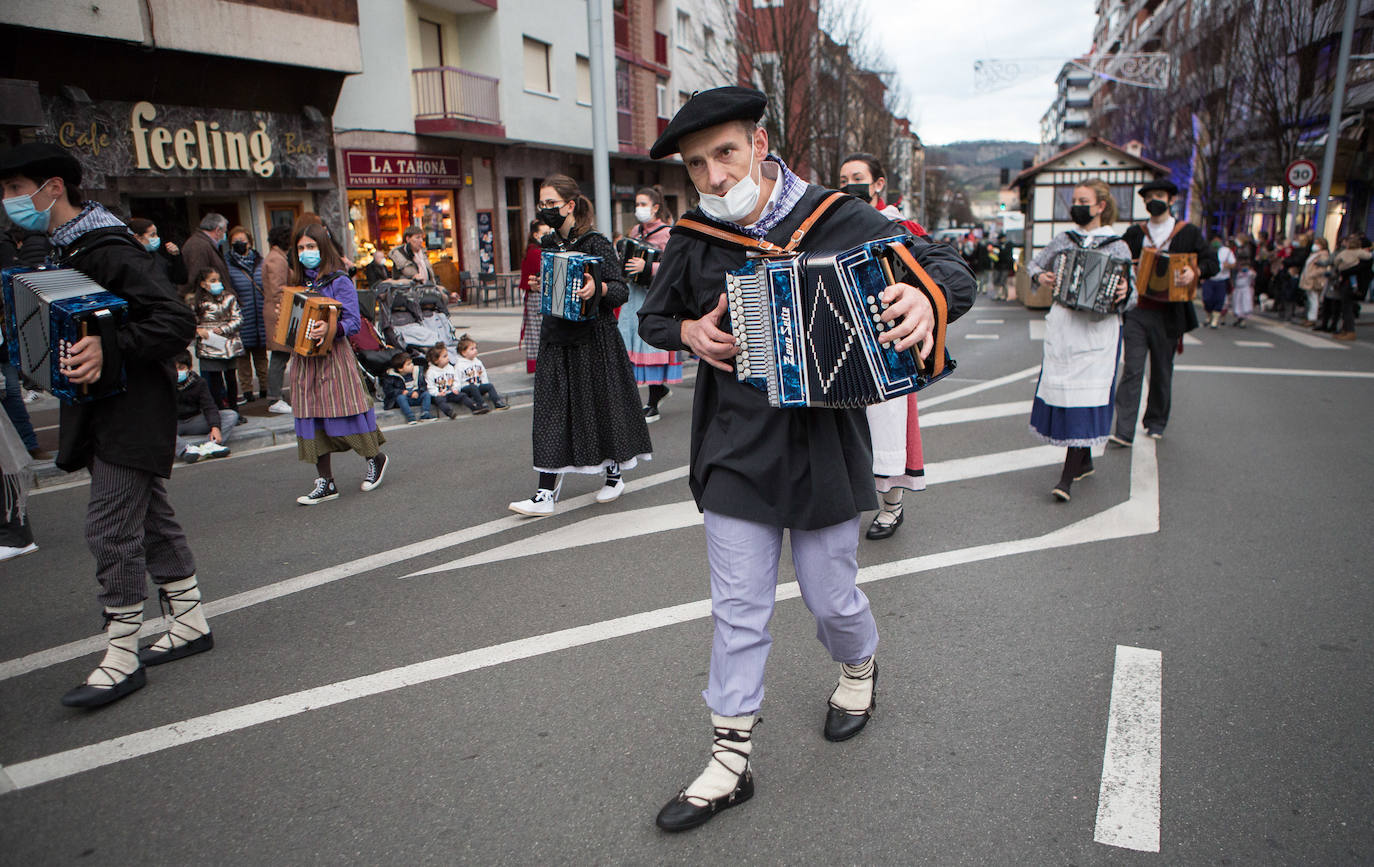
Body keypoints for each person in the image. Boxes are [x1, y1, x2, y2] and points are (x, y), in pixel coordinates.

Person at [637, 87, 975, 832]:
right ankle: (730, 759)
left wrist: (928, 301)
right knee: (739, 610)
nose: (715, 176)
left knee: (830, 598)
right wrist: (690, 331)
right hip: (734, 445)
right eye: (697, 166)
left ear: (760, 145)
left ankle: (858, 665)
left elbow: (946, 266)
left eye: (725, 153)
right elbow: (655, 315)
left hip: (825, 442)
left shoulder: (837, 215)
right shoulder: (696, 236)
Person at [1, 142, 212, 707]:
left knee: (109, 527)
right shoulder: (58, 249)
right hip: (102, 410)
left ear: (53, 188)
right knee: (149, 519)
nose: (9, 201)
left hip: (132, 409)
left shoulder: (107, 247)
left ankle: (121, 653)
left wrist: (109, 349)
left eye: (16, 190)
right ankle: (189, 621)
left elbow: (174, 321)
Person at [508, 174, 652, 517]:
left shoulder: (595, 242)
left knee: (602, 405)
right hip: (556, 338)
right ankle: (545, 492)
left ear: (570, 205)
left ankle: (613, 474)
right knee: (551, 411)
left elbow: (619, 289)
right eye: (541, 204)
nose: (545, 210)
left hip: (595, 339)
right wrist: (541, 283)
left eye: (550, 204)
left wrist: (597, 289)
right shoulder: (547, 246)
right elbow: (553, 291)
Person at [838, 151, 931, 540]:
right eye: (842, 180)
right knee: (844, 425)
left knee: (887, 424)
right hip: (843, 336)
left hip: (887, 338)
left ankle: (892, 506)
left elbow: (928, 274)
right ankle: (844, 503)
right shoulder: (831, 222)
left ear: (878, 184)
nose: (848, 185)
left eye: (857, 177)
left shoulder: (901, 226)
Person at [1026, 180, 1134, 502]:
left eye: (1083, 200)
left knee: (1085, 397)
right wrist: (1041, 276)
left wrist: (1124, 292)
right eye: (1074, 200)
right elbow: (1034, 264)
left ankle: (1066, 479)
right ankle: (1083, 460)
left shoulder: (1118, 246)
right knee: (1067, 395)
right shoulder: (1063, 240)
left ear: (1101, 206)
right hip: (1065, 328)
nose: (1077, 205)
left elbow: (1133, 292)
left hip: (1098, 330)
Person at [289, 222, 389, 505]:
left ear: (323, 247)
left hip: (334, 358)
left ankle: (375, 458)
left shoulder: (339, 280)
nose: (306, 252)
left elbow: (353, 322)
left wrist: (329, 329)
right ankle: (326, 481)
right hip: (305, 360)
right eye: (301, 248)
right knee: (311, 416)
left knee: (347, 409)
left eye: (311, 246)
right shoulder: (297, 283)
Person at [1110, 178, 1215, 446]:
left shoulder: (1186, 232)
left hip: (1170, 313)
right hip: (1137, 310)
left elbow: (1210, 261)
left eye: (1159, 195)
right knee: (1132, 369)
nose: (1154, 200)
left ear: (1170, 200)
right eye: (1149, 197)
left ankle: (1155, 421)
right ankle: (1123, 430)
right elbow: (1117, 261)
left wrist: (1195, 271)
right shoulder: (1135, 233)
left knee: (1161, 370)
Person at [617, 187, 679, 422]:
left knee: (650, 344)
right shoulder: (635, 231)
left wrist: (648, 268)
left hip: (654, 296)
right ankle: (654, 394)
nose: (638, 209)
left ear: (655, 207)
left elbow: (674, 267)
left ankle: (653, 400)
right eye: (637, 204)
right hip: (633, 296)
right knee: (632, 342)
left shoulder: (667, 234)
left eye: (643, 204)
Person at [225, 226, 269, 402]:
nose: (240, 245)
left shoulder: (261, 262)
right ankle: (247, 392)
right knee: (242, 359)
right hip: (242, 318)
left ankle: (266, 390)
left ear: (250, 242)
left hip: (259, 316)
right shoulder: (228, 265)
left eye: (243, 241)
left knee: (261, 357)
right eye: (235, 242)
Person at [190, 266, 244, 410]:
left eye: (218, 280)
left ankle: (234, 409)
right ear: (203, 284)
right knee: (215, 380)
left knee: (231, 378)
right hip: (209, 344)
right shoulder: (196, 302)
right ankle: (219, 409)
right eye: (212, 280)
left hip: (229, 342)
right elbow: (189, 322)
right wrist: (198, 330)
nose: (217, 283)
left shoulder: (229, 298)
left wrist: (223, 329)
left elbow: (238, 318)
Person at [173, 352, 233, 462]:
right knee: (153, 427)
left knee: (230, 415)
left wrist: (215, 427)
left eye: (181, 368)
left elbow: (209, 406)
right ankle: (185, 450)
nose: (177, 372)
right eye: (174, 368)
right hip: (173, 424)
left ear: (189, 367)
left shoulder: (199, 382)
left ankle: (211, 445)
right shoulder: (164, 383)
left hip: (195, 420)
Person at [261, 224, 294, 413]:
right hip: (279, 312)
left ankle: (275, 396)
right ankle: (274, 398)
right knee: (279, 355)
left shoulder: (276, 257)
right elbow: (278, 289)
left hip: (277, 311)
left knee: (280, 355)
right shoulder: (277, 260)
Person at [518, 220, 550, 374]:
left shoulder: (533, 250)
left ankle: (540, 366)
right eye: (545, 233)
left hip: (534, 298)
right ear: (536, 234)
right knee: (540, 334)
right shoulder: (536, 252)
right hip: (537, 297)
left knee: (537, 334)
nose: (548, 236)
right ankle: (542, 367)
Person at [179, 212, 230, 300]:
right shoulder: (199, 246)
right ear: (218, 230)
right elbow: (196, 277)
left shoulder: (204, 244)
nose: (224, 235)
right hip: (207, 304)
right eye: (224, 231)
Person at [453, 335, 509, 412]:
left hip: (478, 386)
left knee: (489, 386)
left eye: (475, 348)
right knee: (472, 387)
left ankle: (497, 402)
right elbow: (456, 378)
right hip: (466, 388)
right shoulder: (459, 365)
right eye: (472, 349)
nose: (475, 350)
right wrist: (456, 388)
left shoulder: (478, 362)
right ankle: (481, 404)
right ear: (464, 353)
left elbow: (483, 374)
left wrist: (484, 384)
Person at [1330, 234, 1370, 340]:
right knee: (1347, 307)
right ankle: (1346, 330)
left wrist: (1342, 270)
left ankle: (1349, 330)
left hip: (1347, 283)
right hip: (1352, 283)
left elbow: (1336, 262)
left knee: (1346, 307)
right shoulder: (1362, 255)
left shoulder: (1344, 253)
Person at [126, 218, 186, 287]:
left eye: (156, 234)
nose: (157, 238)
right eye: (152, 235)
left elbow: (181, 279)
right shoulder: (130, 261)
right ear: (137, 237)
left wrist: (176, 256)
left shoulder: (157, 256)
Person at [382, 351, 434, 423]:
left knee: (426, 394)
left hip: (415, 396)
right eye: (408, 364)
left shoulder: (417, 372)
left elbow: (423, 386)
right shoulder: (391, 377)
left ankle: (425, 413)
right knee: (401, 398)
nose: (412, 365)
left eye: (412, 363)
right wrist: (402, 392)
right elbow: (389, 391)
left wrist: (417, 392)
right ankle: (410, 416)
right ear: (400, 369)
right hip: (402, 400)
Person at [424, 343, 471, 417]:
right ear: (436, 360)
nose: (448, 358)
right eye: (444, 356)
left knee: (462, 395)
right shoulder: (431, 372)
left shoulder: (450, 368)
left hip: (450, 392)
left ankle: (474, 407)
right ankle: (449, 412)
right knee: (439, 400)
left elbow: (456, 380)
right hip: (440, 394)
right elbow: (430, 387)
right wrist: (437, 393)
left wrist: (455, 388)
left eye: (447, 355)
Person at [1199, 236, 1234, 329]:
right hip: (1209, 279)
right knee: (1207, 299)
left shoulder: (1226, 251)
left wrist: (1228, 265)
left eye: (1218, 240)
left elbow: (1233, 263)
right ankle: (1208, 316)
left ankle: (1215, 320)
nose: (1216, 242)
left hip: (1221, 280)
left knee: (1219, 300)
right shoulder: (1206, 250)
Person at [1298, 237, 1331, 329]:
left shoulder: (1323, 255)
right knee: (1310, 299)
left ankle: (1312, 318)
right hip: (1308, 278)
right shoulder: (1314, 254)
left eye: (1317, 243)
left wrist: (1312, 274)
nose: (1315, 245)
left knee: (1314, 299)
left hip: (1314, 280)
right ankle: (1309, 317)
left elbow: (1322, 269)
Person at [1230, 260, 1255, 327]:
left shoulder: (1249, 273)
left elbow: (1253, 275)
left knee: (1244, 305)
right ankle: (1239, 319)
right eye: (1243, 266)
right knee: (1237, 305)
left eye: (1246, 266)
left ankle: (1243, 320)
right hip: (1238, 291)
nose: (1244, 267)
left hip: (1245, 291)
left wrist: (1251, 271)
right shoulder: (1238, 273)